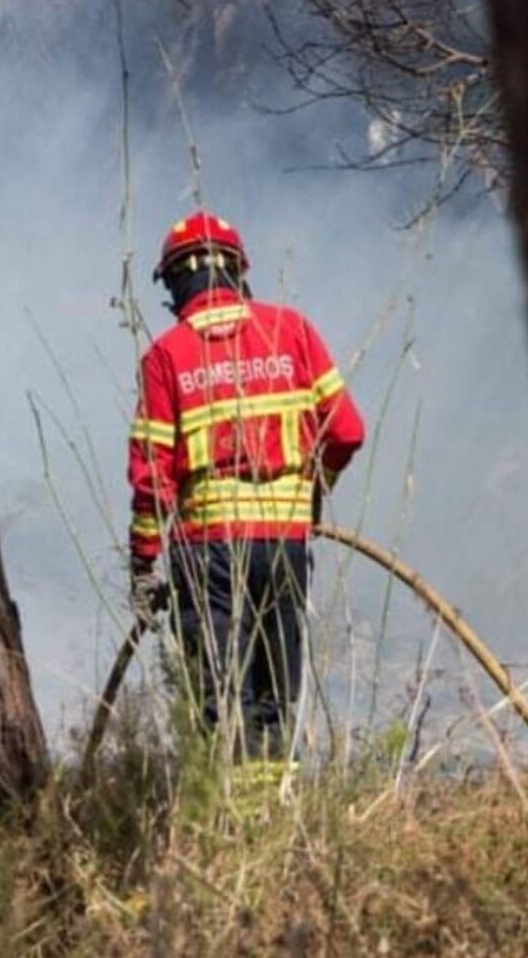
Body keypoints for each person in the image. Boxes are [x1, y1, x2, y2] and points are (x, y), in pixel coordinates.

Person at [127, 210, 364, 765]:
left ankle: (227, 817)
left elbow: (151, 477)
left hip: (207, 551)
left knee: (216, 702)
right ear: (238, 272)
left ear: (176, 281)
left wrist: (143, 565)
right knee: (274, 697)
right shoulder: (293, 330)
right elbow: (347, 431)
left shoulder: (165, 355)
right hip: (284, 541)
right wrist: (312, 491)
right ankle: (273, 815)